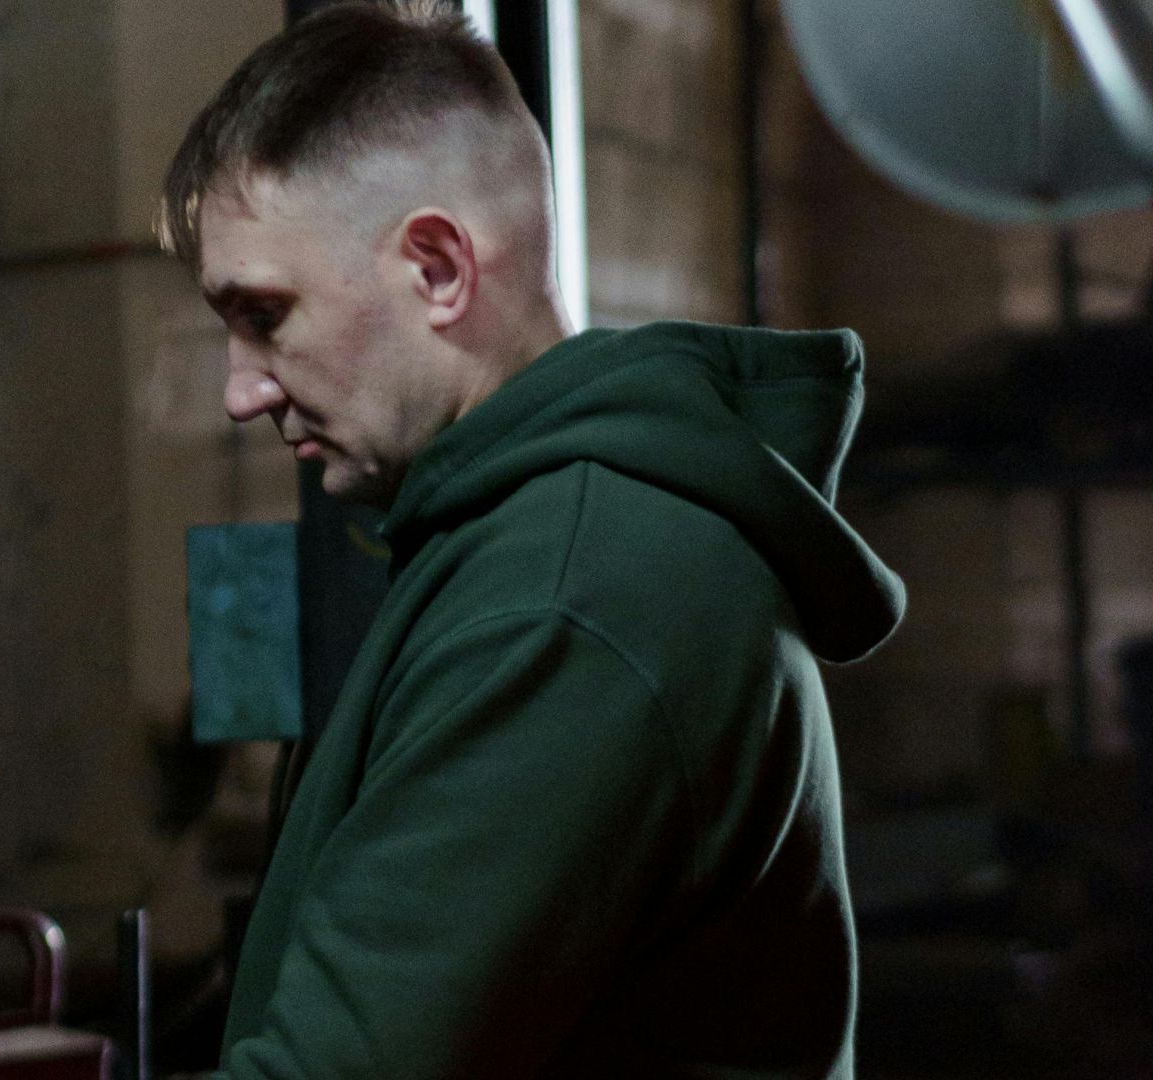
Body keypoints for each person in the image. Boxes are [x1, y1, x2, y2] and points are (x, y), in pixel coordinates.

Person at [157, 3, 906, 1076]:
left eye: (266, 316)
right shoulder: (511, 544)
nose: (239, 392)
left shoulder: (567, 597)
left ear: (439, 270)